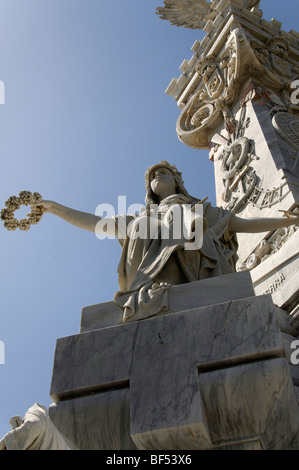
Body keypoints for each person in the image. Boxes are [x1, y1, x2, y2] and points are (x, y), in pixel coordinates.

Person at [38, 161, 299, 323]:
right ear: (150, 189)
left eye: (164, 172)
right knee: (141, 224)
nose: (158, 175)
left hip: (199, 260)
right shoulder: (142, 217)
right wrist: (54, 208)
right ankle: (145, 290)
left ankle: (184, 251)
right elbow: (96, 223)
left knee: (180, 214)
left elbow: (241, 224)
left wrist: (288, 222)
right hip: (152, 273)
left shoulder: (201, 209)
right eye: (154, 175)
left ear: (177, 181)